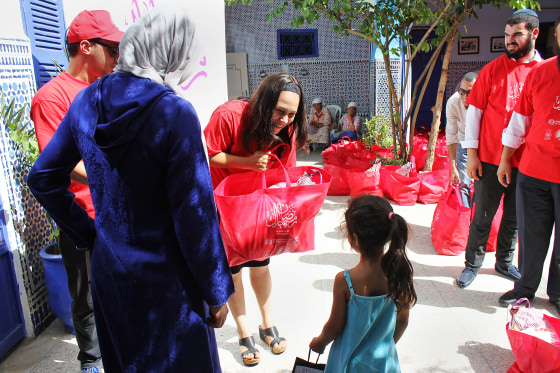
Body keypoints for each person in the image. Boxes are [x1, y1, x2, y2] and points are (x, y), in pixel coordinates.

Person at [27, 5, 234, 372]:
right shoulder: (174, 112)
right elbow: (194, 216)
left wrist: (88, 233)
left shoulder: (86, 101)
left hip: (111, 274)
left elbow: (43, 178)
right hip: (171, 282)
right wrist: (216, 290)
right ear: (171, 55)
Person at [29, 9, 124, 373]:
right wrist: (117, 179)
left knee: (121, 290)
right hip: (82, 214)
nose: (118, 56)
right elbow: (62, 164)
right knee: (85, 295)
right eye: (112, 48)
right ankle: (92, 361)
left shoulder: (108, 90)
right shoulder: (52, 97)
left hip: (119, 211)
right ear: (86, 46)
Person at [204, 73, 307, 366]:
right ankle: (244, 330)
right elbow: (209, 155)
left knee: (261, 265)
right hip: (226, 207)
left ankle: (267, 323)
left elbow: (282, 173)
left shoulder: (288, 130)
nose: (285, 119)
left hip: (259, 206)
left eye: (291, 114)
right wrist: (247, 163)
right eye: (280, 111)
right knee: (234, 270)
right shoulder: (228, 116)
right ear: (264, 103)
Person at [456, 9, 542, 289]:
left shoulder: (545, 71)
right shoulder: (492, 70)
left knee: (514, 218)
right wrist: (471, 154)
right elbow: (474, 115)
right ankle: (472, 264)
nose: (510, 41)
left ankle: (504, 262)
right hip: (491, 159)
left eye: (517, 34)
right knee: (483, 214)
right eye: (507, 36)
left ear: (534, 34)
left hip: (529, 162)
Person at [496, 16, 560, 315]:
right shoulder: (543, 72)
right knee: (531, 235)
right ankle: (525, 288)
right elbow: (519, 119)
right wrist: (506, 159)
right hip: (534, 171)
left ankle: (557, 293)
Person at [309, 195, 416, 372]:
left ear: (355, 239)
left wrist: (319, 342)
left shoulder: (345, 281)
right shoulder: (400, 275)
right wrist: (384, 346)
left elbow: (335, 327)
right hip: (383, 364)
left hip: (348, 364)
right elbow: (403, 321)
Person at [446, 71, 478, 207]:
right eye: (461, 92)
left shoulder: (488, 100)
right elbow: (451, 135)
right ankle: (466, 218)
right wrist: (453, 167)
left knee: (482, 184)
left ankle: (477, 218)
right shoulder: (453, 102)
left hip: (483, 144)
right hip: (463, 142)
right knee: (463, 182)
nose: (465, 97)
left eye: (469, 92)